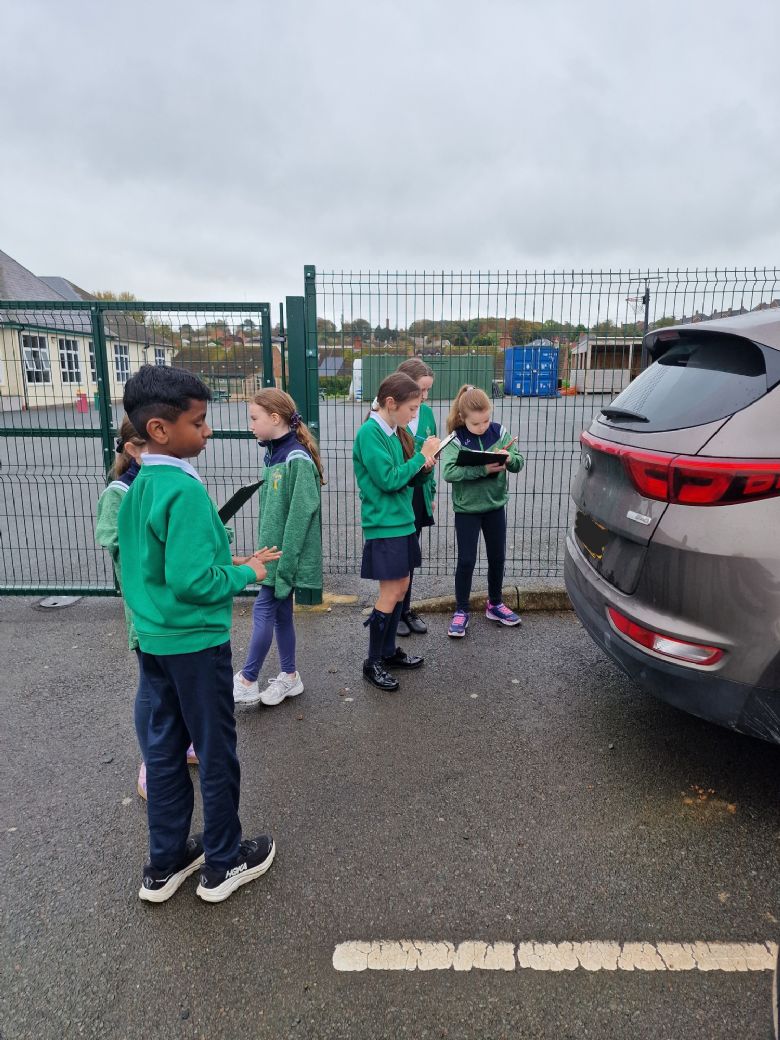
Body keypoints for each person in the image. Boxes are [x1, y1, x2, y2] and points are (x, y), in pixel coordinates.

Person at [117, 364, 281, 904]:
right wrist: (245, 573)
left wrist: (228, 561)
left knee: (164, 751)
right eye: (199, 421)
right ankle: (224, 861)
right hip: (195, 644)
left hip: (154, 642)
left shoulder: (138, 485)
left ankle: (164, 865)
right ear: (160, 429)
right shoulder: (183, 490)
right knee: (215, 752)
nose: (208, 431)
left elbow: (153, 568)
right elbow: (191, 582)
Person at [95, 416, 197, 801]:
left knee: (180, 683)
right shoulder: (119, 493)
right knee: (152, 688)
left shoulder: (174, 480)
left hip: (177, 607)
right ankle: (152, 761)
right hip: (147, 611)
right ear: (133, 449)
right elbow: (119, 544)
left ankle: (181, 744)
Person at [233, 389, 324, 708]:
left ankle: (247, 680)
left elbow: (300, 516)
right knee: (281, 614)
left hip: (283, 558)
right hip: (273, 556)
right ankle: (290, 676)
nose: (250, 425)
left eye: (254, 418)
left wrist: (286, 565)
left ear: (275, 418)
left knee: (264, 610)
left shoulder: (296, 458)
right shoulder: (273, 454)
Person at [353, 371, 441, 691]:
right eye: (412, 408)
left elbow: (407, 477)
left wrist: (424, 466)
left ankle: (388, 652)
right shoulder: (370, 433)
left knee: (401, 588)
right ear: (391, 403)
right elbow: (389, 480)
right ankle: (373, 661)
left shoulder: (393, 431)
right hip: (385, 524)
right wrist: (420, 458)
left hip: (402, 521)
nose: (415, 415)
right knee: (390, 593)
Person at [441, 384, 524, 638]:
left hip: (495, 506)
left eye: (486, 421)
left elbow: (518, 462)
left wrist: (509, 458)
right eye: (475, 423)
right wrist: (483, 469)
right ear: (462, 418)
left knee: (497, 557)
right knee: (466, 560)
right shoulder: (456, 438)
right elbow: (448, 472)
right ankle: (461, 610)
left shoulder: (500, 432)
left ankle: (495, 604)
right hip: (467, 509)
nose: (482, 427)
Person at [394, 358, 437, 638]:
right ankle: (394, 611)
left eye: (427, 390)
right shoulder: (393, 417)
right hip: (399, 492)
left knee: (410, 554)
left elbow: (433, 450)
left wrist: (431, 491)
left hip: (419, 490)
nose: (425, 396)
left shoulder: (428, 413)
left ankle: (406, 609)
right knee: (397, 556)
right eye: (421, 390)